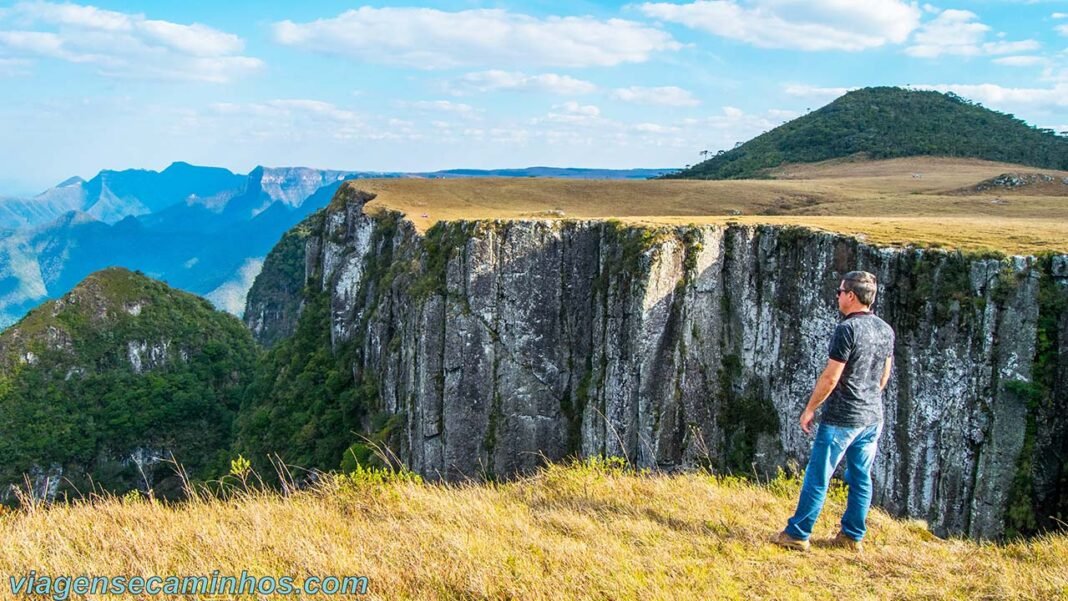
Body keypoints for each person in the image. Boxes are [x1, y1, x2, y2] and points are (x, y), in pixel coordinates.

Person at [772, 271, 895, 553]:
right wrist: (867, 397)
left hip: (842, 416)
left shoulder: (847, 329)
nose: (838, 296)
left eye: (840, 292)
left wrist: (810, 409)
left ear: (851, 296)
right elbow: (884, 376)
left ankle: (798, 533)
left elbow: (831, 377)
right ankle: (852, 536)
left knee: (819, 475)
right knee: (861, 477)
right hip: (872, 417)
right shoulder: (885, 329)